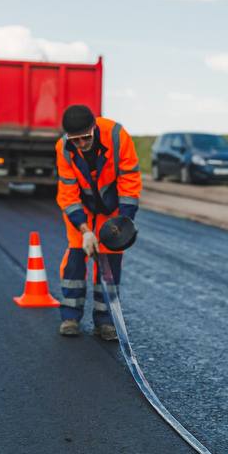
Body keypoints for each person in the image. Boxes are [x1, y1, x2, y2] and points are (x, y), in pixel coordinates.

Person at [54, 104, 141, 340]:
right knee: (75, 260)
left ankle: (105, 322)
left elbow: (129, 178)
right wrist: (84, 230)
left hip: (111, 208)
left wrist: (124, 222)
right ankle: (70, 317)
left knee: (110, 262)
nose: (81, 144)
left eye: (85, 138)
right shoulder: (63, 148)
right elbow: (68, 193)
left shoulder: (117, 136)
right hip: (81, 207)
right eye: (75, 140)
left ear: (94, 128)